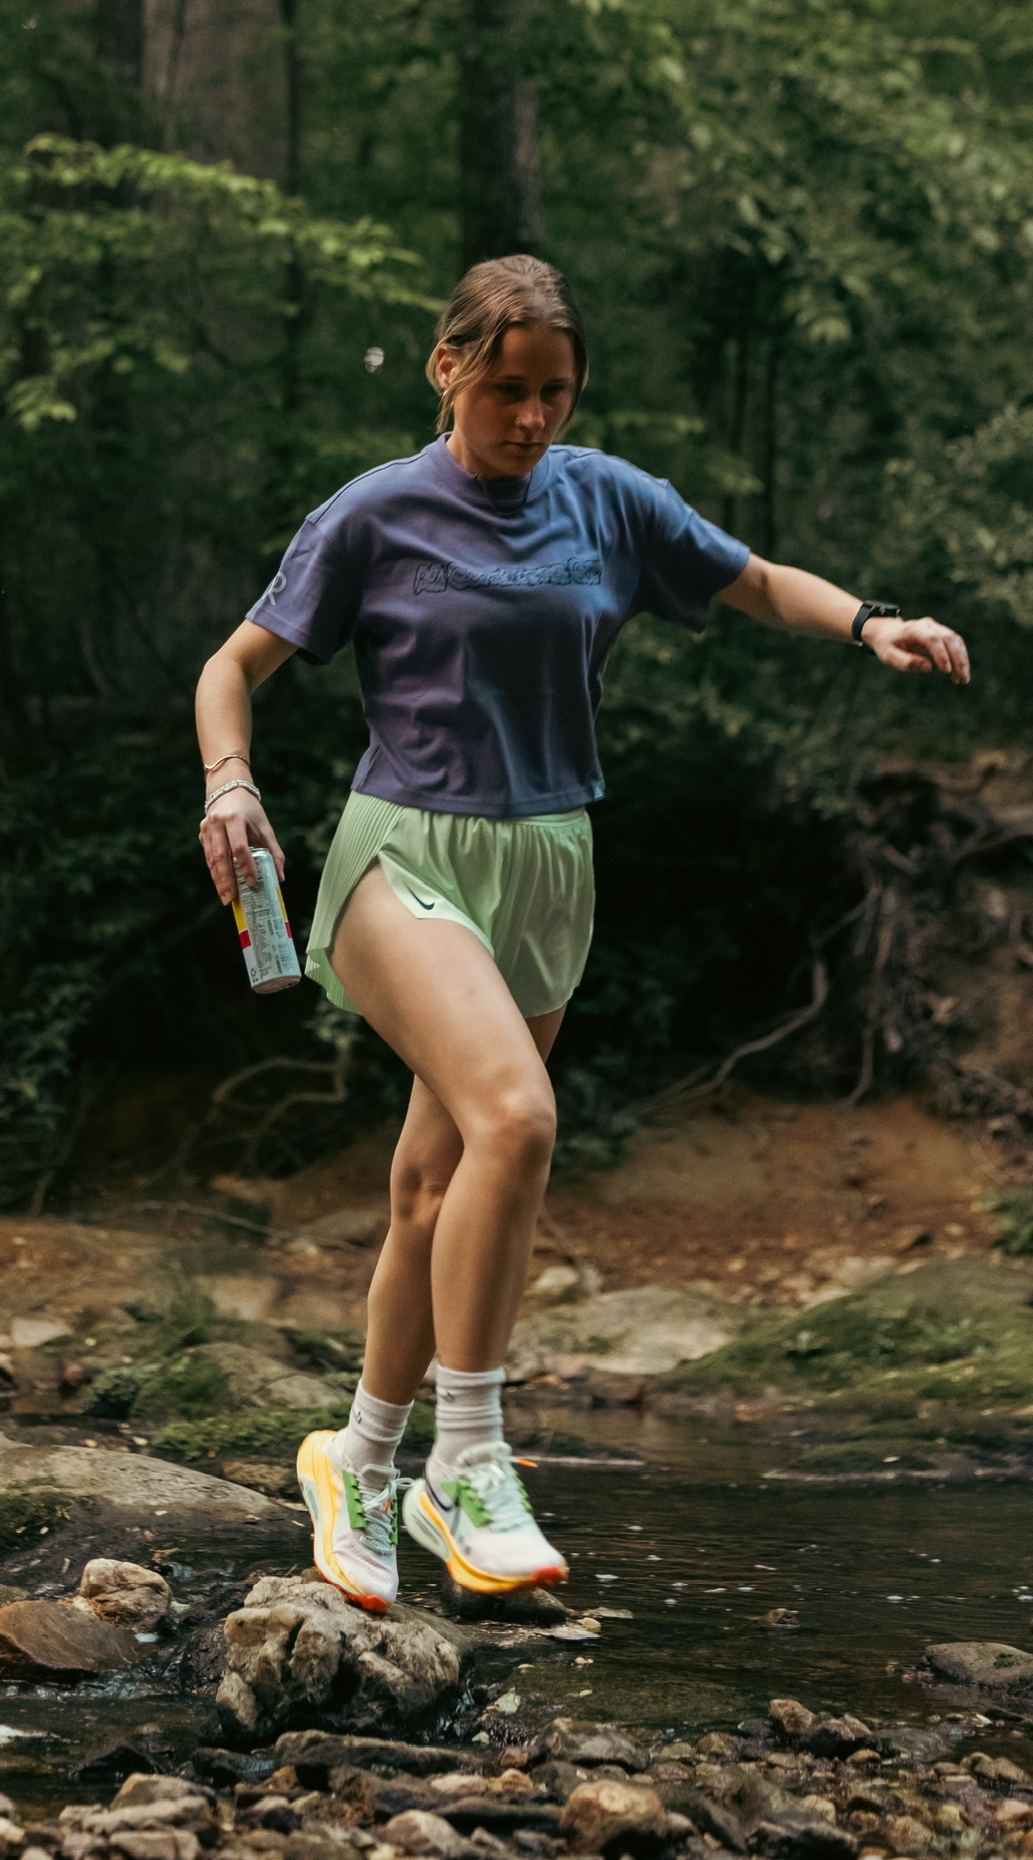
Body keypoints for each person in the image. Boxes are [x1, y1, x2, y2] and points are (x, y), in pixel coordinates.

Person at [195, 253, 969, 1610]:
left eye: (555, 391)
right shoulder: (376, 513)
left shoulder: (608, 500)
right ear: (448, 368)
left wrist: (871, 624)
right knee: (520, 1121)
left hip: (551, 863)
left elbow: (753, 578)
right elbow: (233, 667)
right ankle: (470, 1456)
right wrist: (231, 784)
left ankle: (358, 1465)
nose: (533, 417)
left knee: (434, 1189)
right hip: (404, 857)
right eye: (508, 389)